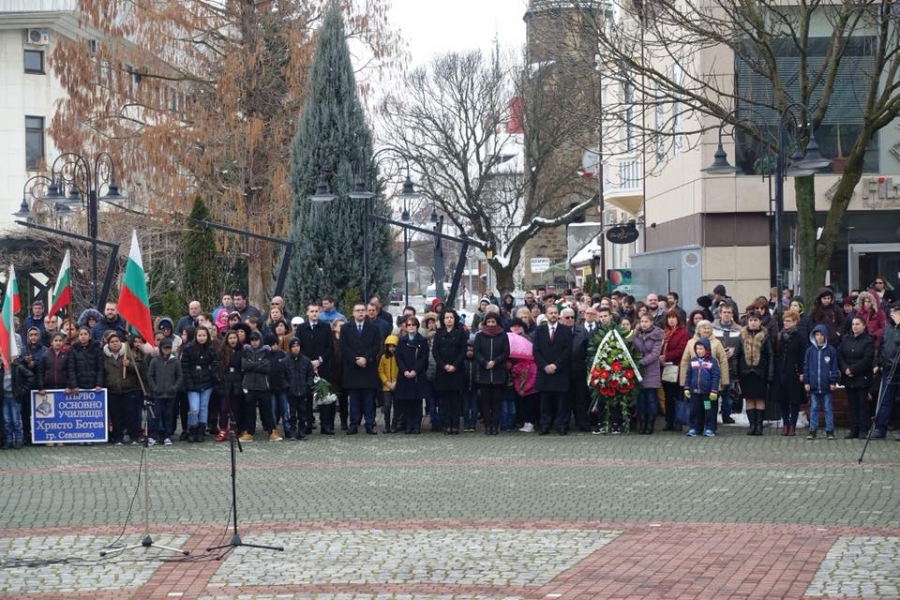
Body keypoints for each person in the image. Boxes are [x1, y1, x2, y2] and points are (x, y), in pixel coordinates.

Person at [679, 320, 729, 432]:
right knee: (696, 408)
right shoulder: (691, 342)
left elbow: (723, 361)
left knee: (709, 407)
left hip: (710, 387)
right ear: (698, 330)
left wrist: (724, 380)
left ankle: (710, 427)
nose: (706, 330)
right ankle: (696, 427)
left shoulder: (717, 342)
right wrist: (684, 383)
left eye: (708, 328)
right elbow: (685, 362)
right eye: (704, 328)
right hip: (695, 387)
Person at [340, 304, 381, 435]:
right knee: (354, 400)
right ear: (353, 313)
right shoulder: (346, 328)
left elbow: (377, 346)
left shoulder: (373, 328)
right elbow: (343, 346)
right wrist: (355, 360)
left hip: (368, 368)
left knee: (369, 399)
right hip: (352, 369)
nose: (360, 313)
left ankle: (369, 424)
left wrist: (366, 358)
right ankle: (353, 424)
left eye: (362, 310)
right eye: (358, 311)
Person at [532, 304, 572, 436]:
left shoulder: (566, 330)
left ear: (558, 314)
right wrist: (545, 366)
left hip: (560, 371)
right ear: (546, 315)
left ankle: (562, 425)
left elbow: (568, 351)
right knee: (545, 401)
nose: (553, 315)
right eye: (551, 313)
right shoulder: (539, 330)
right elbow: (536, 351)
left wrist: (555, 365)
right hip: (544, 372)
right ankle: (545, 425)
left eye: (555, 313)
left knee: (562, 401)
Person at [296, 303, 334, 433]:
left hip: (322, 368)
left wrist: (319, 361)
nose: (314, 313)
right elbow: (298, 347)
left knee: (324, 397)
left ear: (320, 312)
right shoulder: (301, 328)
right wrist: (309, 363)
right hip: (306, 369)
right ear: (307, 313)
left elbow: (330, 347)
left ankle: (325, 425)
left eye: (316, 311)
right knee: (307, 397)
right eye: (311, 311)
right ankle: (308, 424)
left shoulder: (326, 327)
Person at [736, 310, 774, 436]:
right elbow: (737, 355)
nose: (753, 323)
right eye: (751, 320)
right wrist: (736, 373)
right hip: (745, 373)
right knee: (749, 399)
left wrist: (770, 373)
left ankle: (759, 425)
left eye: (755, 320)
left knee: (760, 398)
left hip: (760, 372)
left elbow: (770, 356)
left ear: (760, 322)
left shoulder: (766, 336)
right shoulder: (741, 336)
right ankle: (752, 425)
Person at [838, 316, 875, 439]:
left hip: (862, 377)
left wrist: (853, 369)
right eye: (853, 324)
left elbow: (867, 359)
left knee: (862, 404)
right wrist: (845, 369)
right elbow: (840, 355)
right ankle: (853, 429)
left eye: (857, 324)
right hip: (848, 377)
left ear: (863, 326)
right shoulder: (846, 339)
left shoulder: (868, 341)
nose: (854, 326)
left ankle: (863, 429)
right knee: (852, 405)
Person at [181, 326, 220, 443]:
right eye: (199, 335)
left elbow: (215, 364)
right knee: (194, 408)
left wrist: (215, 376)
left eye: (204, 335)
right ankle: (192, 429)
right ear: (195, 336)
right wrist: (188, 383)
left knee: (203, 407)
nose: (202, 338)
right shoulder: (188, 349)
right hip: (192, 383)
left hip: (207, 383)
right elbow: (185, 367)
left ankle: (201, 430)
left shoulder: (211, 349)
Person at [103, 333, 144, 445]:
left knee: (130, 414)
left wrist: (129, 365)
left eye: (117, 341)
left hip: (128, 389)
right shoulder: (105, 356)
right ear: (108, 344)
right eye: (112, 342)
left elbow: (140, 367)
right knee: (116, 415)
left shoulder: (128, 353)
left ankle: (133, 436)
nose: (115, 344)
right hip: (113, 389)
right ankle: (118, 437)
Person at [432, 309, 467, 435]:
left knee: (456, 399)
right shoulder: (439, 332)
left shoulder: (460, 332)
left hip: (457, 370)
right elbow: (435, 351)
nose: (449, 319)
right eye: (446, 317)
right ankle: (447, 425)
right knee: (445, 399)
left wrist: (454, 365)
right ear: (443, 319)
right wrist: (444, 365)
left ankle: (455, 425)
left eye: (451, 317)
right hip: (443, 370)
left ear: (455, 318)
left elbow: (463, 351)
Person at [239, 330, 279, 441]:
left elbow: (267, 367)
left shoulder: (266, 352)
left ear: (260, 340)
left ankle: (272, 432)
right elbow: (244, 365)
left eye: (256, 340)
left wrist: (251, 365)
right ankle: (249, 432)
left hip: (263, 385)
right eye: (252, 340)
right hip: (249, 385)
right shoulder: (245, 351)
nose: (254, 342)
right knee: (250, 411)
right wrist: (258, 365)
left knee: (267, 410)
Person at [473, 313, 509, 435]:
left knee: (496, 402)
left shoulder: (503, 335)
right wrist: (484, 362)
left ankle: (495, 426)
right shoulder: (479, 336)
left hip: (498, 373)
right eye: (489, 321)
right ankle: (488, 426)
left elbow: (506, 352)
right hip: (484, 374)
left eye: (493, 322)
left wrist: (495, 361)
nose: (491, 324)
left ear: (497, 322)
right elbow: (476, 352)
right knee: (485, 402)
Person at [803, 324, 839, 440]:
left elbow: (834, 367)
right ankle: (812, 430)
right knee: (813, 408)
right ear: (814, 336)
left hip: (826, 386)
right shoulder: (810, 351)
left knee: (828, 408)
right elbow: (806, 367)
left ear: (825, 336)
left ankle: (829, 430)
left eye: (821, 335)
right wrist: (806, 382)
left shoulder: (831, 350)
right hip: (813, 386)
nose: (819, 337)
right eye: (817, 335)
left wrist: (833, 381)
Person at [395, 317, 429, 434]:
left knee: (417, 402)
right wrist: (405, 371)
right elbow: (398, 357)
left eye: (413, 325)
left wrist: (415, 370)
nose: (411, 327)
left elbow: (424, 358)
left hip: (417, 376)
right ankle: (408, 425)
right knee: (407, 402)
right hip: (404, 375)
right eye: (409, 325)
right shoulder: (401, 341)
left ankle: (417, 425)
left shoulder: (422, 341)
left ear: (417, 326)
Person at [775, 310, 806, 437]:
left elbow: (802, 356)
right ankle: (785, 424)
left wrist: (802, 372)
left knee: (794, 399)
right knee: (782, 399)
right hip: (781, 370)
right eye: (784, 320)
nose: (785, 323)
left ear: (795, 322)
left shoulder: (799, 337)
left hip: (794, 371)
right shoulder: (780, 336)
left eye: (788, 321)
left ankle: (793, 425)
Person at [147, 337, 183, 446]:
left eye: (169, 348)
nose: (167, 350)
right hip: (157, 394)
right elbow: (150, 375)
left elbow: (180, 376)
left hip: (170, 394)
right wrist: (154, 388)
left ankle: (167, 436)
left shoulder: (175, 362)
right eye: (164, 348)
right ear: (160, 348)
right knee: (156, 416)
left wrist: (174, 388)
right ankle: (153, 436)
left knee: (168, 416)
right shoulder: (154, 361)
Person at [872, 302, 900, 439]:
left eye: (897, 311)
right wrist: (879, 362)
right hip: (888, 369)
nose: (893, 314)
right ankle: (879, 428)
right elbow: (881, 346)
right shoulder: (887, 327)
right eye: (893, 311)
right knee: (884, 400)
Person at [633, 313, 663, 435]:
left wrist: (642, 362)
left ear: (651, 322)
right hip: (638, 371)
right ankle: (642, 424)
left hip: (651, 370)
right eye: (642, 321)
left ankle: (650, 425)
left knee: (651, 399)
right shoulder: (635, 334)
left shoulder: (657, 334)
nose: (644, 324)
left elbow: (655, 353)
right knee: (640, 400)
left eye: (646, 321)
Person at [683, 337, 720, 437]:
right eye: (697, 348)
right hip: (695, 393)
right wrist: (686, 388)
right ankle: (694, 428)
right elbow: (688, 375)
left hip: (707, 394)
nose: (698, 351)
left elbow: (715, 376)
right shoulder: (693, 361)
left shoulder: (712, 361)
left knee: (708, 410)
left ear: (707, 349)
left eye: (701, 348)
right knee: (694, 410)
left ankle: (709, 428)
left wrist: (714, 390)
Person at [712, 303, 742, 423]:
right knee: (714, 393)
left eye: (729, 312)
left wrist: (734, 350)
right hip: (716, 366)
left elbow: (743, 346)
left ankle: (726, 415)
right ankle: (711, 416)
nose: (727, 314)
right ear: (720, 313)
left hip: (731, 365)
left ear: (732, 314)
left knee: (729, 393)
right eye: (724, 312)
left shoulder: (740, 330)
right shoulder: (712, 328)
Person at [280, 337, 314, 440]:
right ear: (290, 348)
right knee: (291, 414)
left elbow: (310, 375)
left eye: (297, 346)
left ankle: (302, 432)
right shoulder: (285, 362)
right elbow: (282, 376)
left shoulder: (306, 361)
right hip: (290, 393)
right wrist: (287, 387)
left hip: (303, 392)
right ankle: (292, 432)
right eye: (293, 346)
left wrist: (307, 386)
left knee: (303, 414)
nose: (296, 348)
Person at [661, 309, 689, 432]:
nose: (671, 320)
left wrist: (666, 356)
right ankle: (669, 421)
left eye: (673, 317)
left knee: (677, 396)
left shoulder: (683, 333)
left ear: (678, 319)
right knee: (667, 396)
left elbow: (680, 349)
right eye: (669, 318)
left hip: (676, 367)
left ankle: (678, 421)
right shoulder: (664, 332)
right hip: (665, 368)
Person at [216, 329, 244, 441]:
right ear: (227, 339)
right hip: (224, 384)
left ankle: (233, 430)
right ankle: (223, 429)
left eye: (234, 338)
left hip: (237, 384)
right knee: (223, 408)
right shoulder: (222, 352)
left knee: (235, 408)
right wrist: (219, 378)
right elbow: (217, 367)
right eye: (230, 338)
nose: (233, 340)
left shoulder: (241, 351)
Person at [377, 335, 399, 433]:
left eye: (393, 346)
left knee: (397, 406)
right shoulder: (383, 357)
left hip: (397, 385)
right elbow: (380, 371)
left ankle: (394, 425)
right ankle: (387, 426)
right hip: (386, 386)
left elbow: (400, 370)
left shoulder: (399, 357)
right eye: (389, 346)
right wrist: (386, 382)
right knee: (387, 406)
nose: (391, 348)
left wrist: (395, 381)